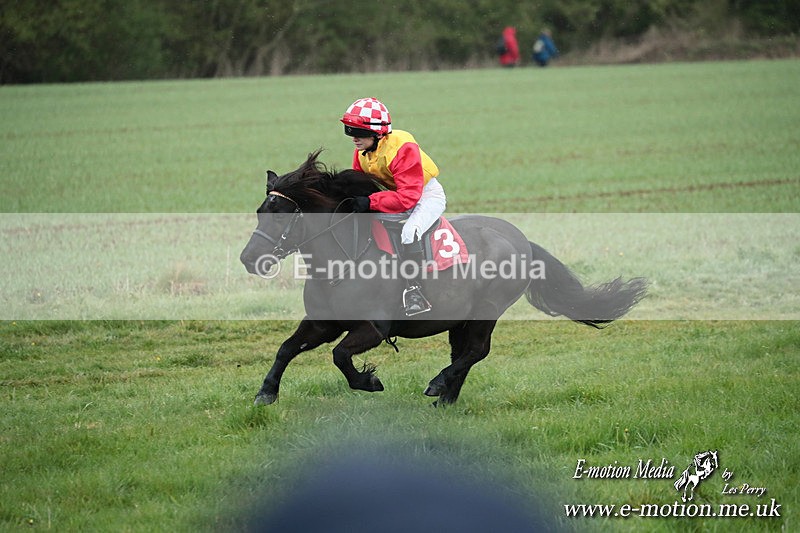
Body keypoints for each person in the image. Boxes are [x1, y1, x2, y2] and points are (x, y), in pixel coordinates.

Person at [341, 97, 446, 316]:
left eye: (358, 133)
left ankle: (415, 290)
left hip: (425, 197)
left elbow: (408, 198)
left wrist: (370, 202)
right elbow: (359, 184)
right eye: (349, 131)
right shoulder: (362, 151)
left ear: (377, 133)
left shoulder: (402, 147)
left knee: (409, 233)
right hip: (396, 194)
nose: (353, 139)